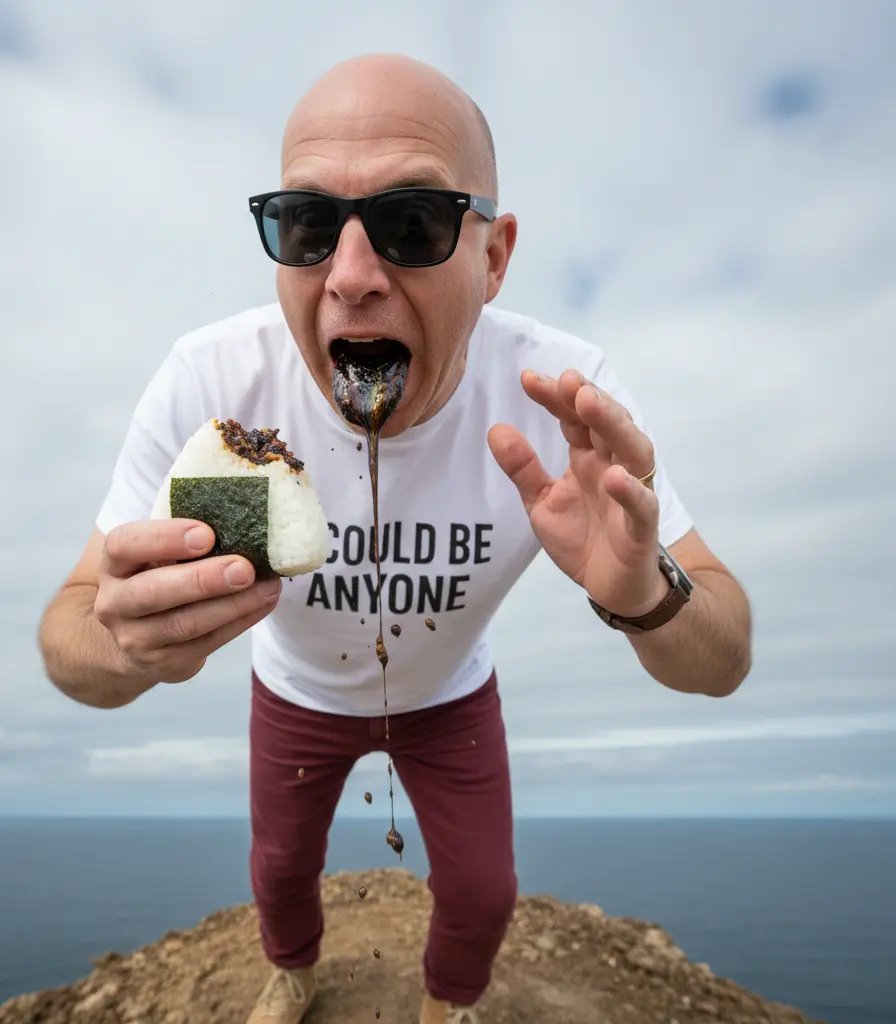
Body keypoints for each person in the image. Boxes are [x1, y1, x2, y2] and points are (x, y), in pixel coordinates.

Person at [38, 52, 752, 1024]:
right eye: (307, 224)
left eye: (413, 223)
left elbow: (722, 657)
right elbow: (70, 635)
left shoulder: (562, 399)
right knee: (279, 867)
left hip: (451, 697)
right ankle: (293, 970)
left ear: (493, 257)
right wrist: (121, 643)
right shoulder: (213, 383)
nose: (351, 278)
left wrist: (644, 594)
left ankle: (448, 1001)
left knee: (485, 888)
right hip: (295, 692)